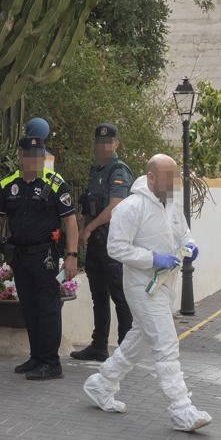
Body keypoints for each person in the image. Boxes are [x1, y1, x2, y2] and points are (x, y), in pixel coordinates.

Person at [82, 155, 213, 432]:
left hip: (166, 285)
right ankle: (181, 409)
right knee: (165, 343)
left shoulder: (173, 204)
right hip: (142, 287)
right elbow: (116, 248)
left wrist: (189, 246)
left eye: (173, 177)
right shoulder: (130, 208)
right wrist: (153, 258)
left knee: (138, 339)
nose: (171, 183)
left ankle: (101, 384)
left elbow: (184, 233)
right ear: (151, 178)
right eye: (166, 177)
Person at [0, 135, 79, 380]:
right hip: (20, 257)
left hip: (45, 256)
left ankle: (51, 362)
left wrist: (72, 255)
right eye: (30, 156)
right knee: (29, 308)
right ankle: (37, 357)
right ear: (21, 157)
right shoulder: (8, 184)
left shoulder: (55, 183)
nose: (35, 161)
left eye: (39, 156)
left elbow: (70, 221)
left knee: (48, 309)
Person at [70, 123, 133, 362]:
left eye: (109, 142)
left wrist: (89, 228)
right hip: (96, 240)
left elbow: (115, 206)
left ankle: (126, 348)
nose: (104, 146)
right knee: (98, 294)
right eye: (100, 142)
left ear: (116, 143)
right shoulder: (96, 169)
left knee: (119, 293)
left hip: (112, 238)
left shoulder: (118, 170)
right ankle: (98, 345)